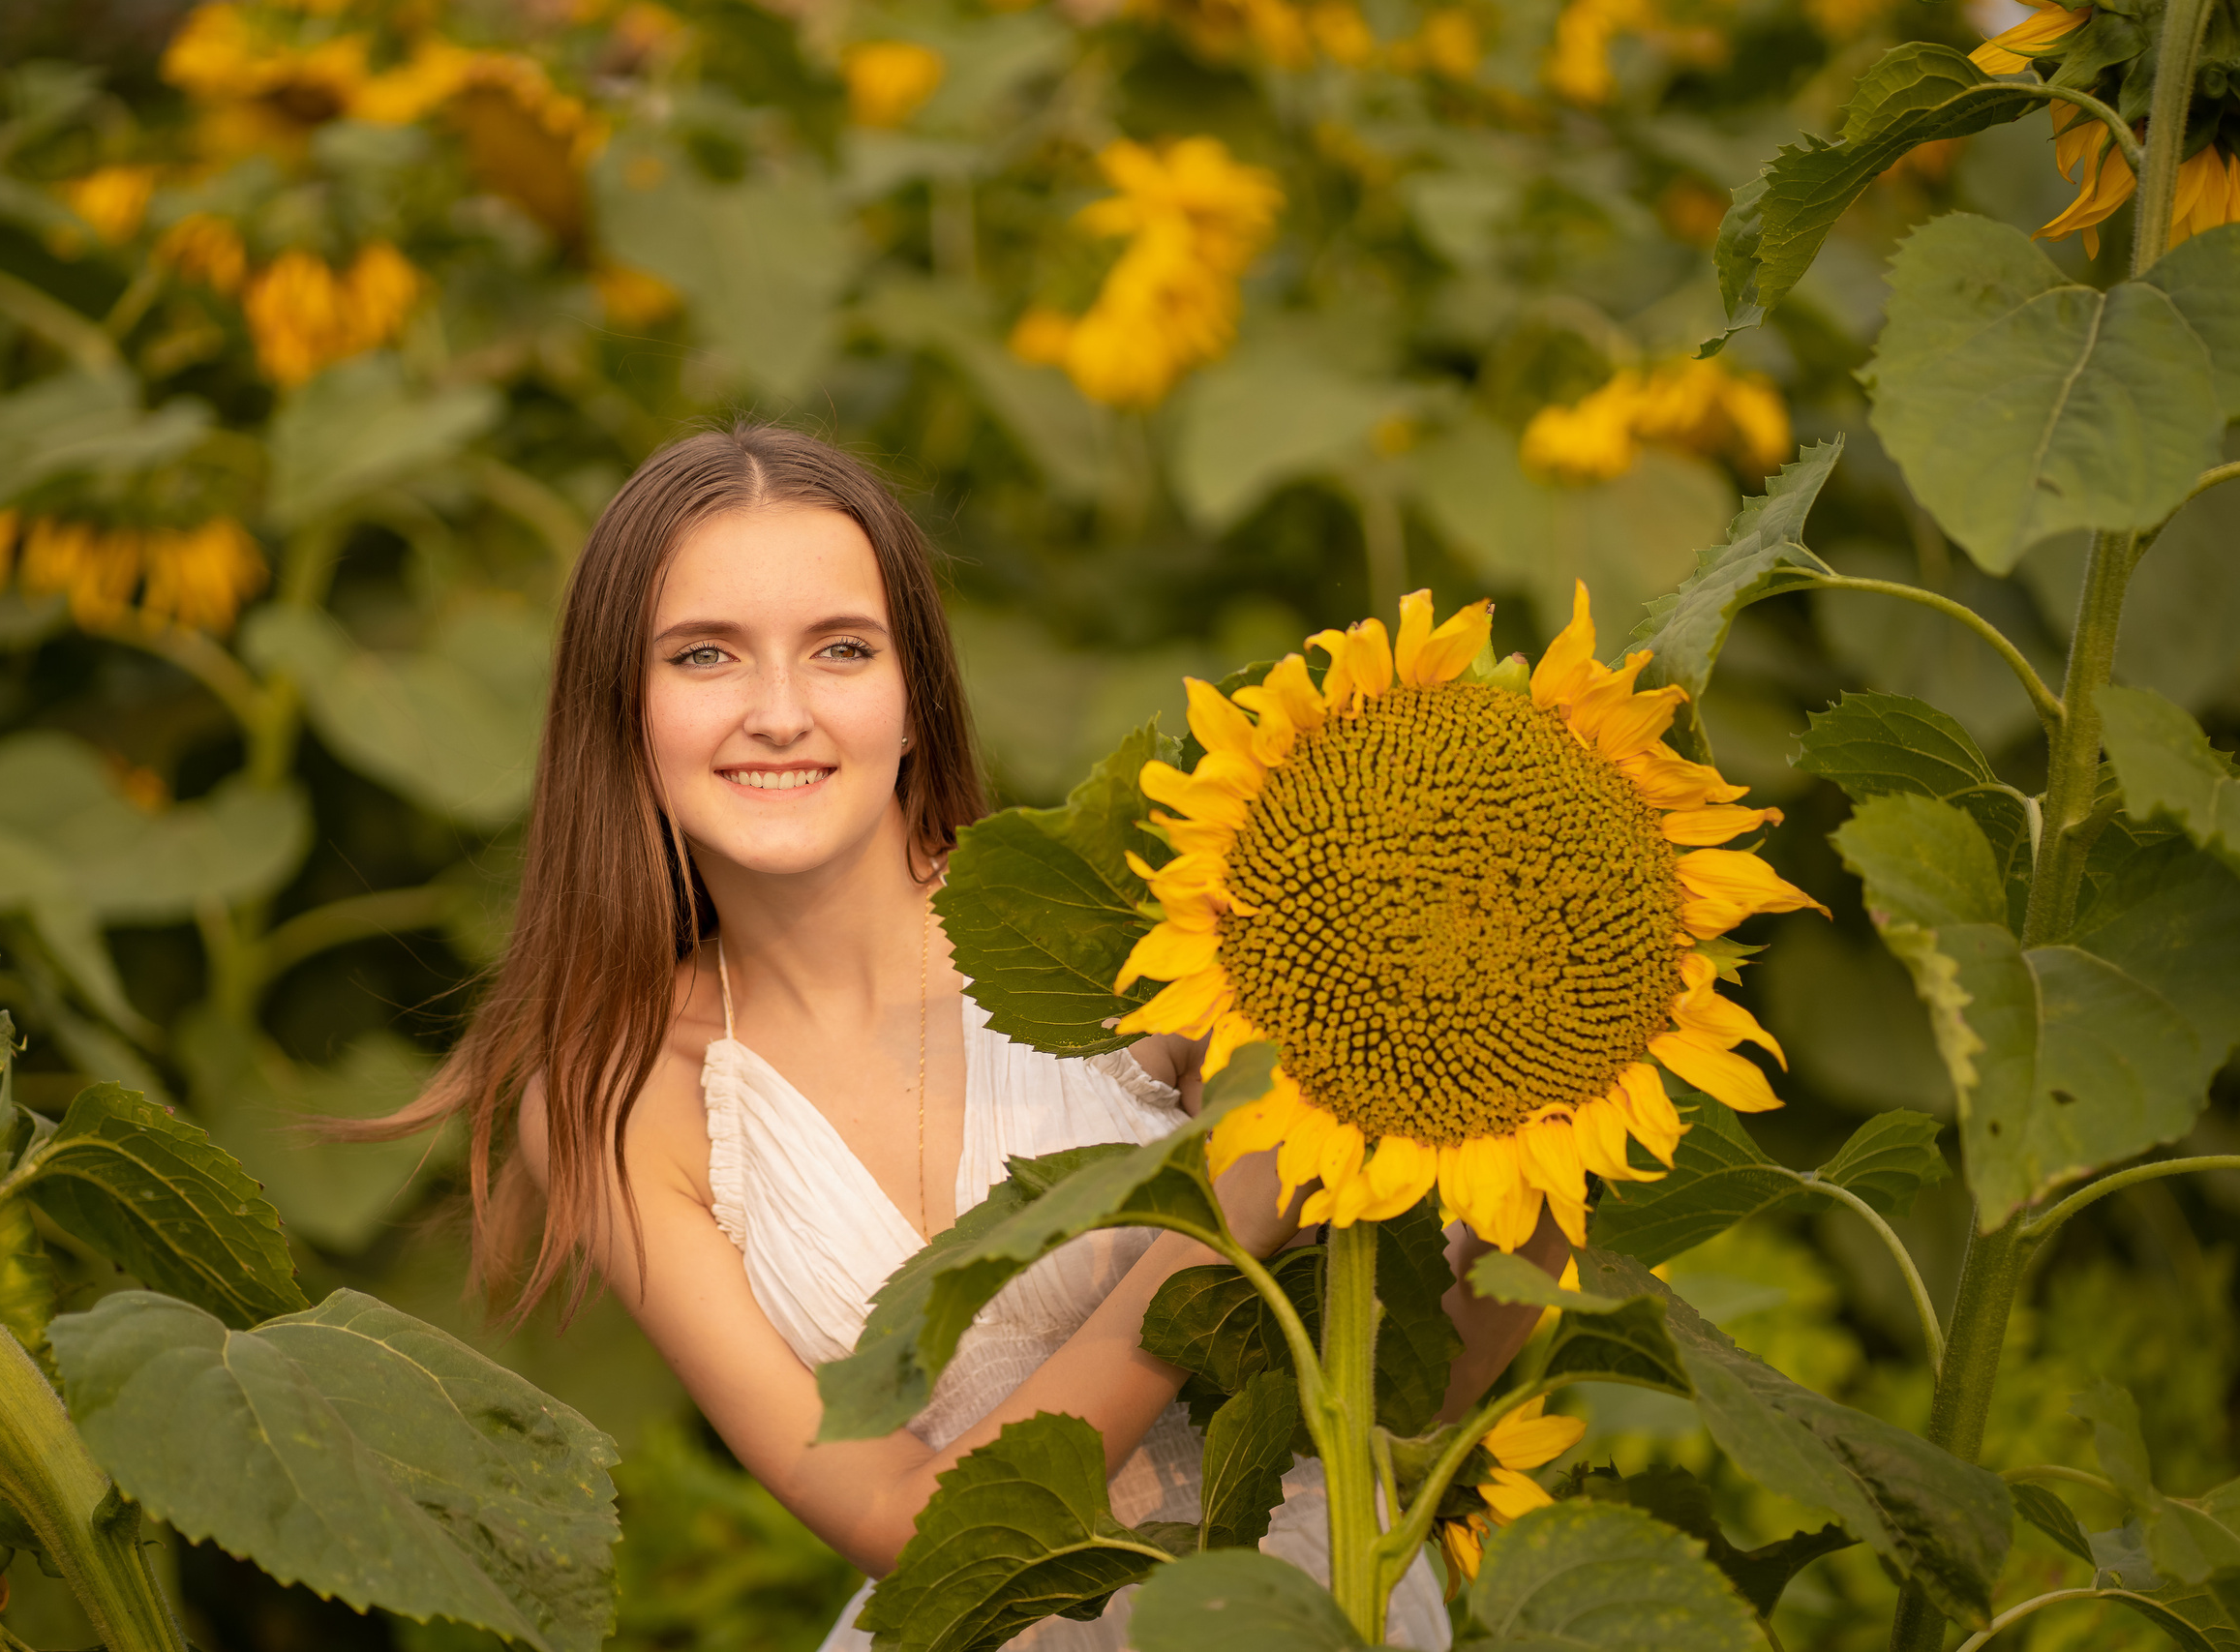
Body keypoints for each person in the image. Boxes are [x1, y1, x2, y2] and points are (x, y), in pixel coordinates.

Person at [376, 423, 1568, 1650]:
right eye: (705, 655)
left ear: (915, 700)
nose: (778, 713)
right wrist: (1216, 1230)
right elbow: (892, 1518)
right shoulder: (620, 1095)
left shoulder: (1115, 916)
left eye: (841, 649)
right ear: (619, 709)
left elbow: (1412, 1394)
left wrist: (1556, 1143)